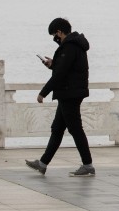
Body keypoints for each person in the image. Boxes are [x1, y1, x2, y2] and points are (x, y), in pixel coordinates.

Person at [25, 18, 95, 177]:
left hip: (70, 93)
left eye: (55, 35)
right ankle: (42, 164)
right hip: (70, 92)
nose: (55, 38)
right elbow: (65, 68)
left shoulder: (69, 47)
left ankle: (88, 165)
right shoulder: (74, 45)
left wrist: (43, 92)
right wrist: (53, 63)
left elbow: (60, 74)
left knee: (75, 129)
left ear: (59, 32)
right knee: (57, 129)